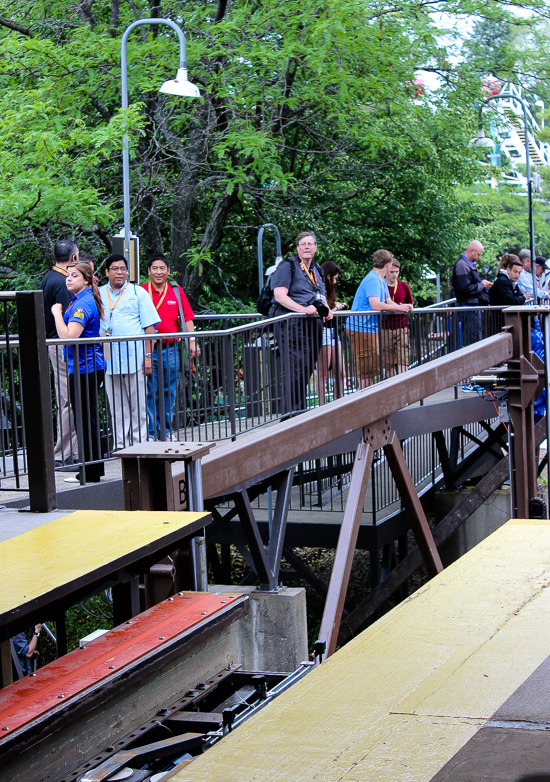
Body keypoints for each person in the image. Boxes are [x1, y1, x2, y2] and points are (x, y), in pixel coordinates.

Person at [51, 261, 106, 483]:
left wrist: (56, 312)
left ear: (86, 279)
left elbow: (68, 336)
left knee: (85, 420)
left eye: (74, 275)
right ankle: (93, 468)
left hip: (86, 368)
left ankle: (89, 471)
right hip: (83, 368)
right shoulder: (81, 300)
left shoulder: (82, 304)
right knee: (87, 418)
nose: (69, 279)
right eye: (68, 275)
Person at [99, 255, 160, 450]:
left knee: (138, 405)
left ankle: (139, 443)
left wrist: (148, 357)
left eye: (123, 269)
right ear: (107, 272)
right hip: (110, 359)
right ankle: (120, 443)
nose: (120, 272)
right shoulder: (98, 294)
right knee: (116, 405)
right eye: (115, 268)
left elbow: (149, 327)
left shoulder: (138, 292)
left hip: (135, 357)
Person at [270, 231, 332, 416]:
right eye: (303, 244)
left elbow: (321, 294)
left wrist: (327, 309)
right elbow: (279, 296)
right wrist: (301, 309)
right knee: (296, 369)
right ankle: (291, 416)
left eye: (310, 244)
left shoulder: (317, 269)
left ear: (315, 248)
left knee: (306, 369)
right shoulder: (287, 266)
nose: (307, 247)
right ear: (297, 248)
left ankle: (300, 413)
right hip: (292, 324)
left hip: (312, 325)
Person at [141, 253, 198, 439]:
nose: (158, 272)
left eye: (162, 268)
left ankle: (165, 431)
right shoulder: (141, 291)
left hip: (171, 349)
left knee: (168, 391)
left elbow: (187, 316)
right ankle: (151, 432)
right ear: (148, 271)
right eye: (155, 268)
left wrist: (192, 340)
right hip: (148, 350)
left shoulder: (175, 290)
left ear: (168, 271)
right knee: (150, 392)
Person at [346, 249, 412, 388]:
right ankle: (363, 405)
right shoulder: (373, 280)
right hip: (361, 329)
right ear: (388, 264)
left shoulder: (380, 279)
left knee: (371, 370)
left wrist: (403, 307)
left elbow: (387, 300)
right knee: (366, 372)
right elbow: (375, 304)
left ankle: (367, 404)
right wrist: (399, 308)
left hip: (369, 329)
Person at [40, 239, 79, 468]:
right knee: (69, 399)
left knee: (65, 398)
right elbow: (69, 319)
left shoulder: (47, 278)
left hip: (51, 343)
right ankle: (63, 454)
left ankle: (69, 451)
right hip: (62, 345)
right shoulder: (63, 283)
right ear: (73, 258)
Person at [451, 240, 492, 346]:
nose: (479, 257)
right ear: (472, 250)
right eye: (478, 254)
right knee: (472, 340)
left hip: (471, 307)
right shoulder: (462, 266)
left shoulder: (465, 265)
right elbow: (464, 289)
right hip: (469, 308)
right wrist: (482, 285)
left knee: (474, 338)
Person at [317, 261, 345, 405]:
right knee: (323, 373)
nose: (335, 281)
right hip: (324, 332)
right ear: (328, 276)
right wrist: (336, 309)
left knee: (341, 372)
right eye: (334, 278)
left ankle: (338, 403)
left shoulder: (329, 292)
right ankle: (322, 406)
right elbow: (324, 315)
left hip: (334, 332)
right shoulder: (319, 291)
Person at [380, 259, 414, 377]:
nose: (395, 275)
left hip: (401, 326)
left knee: (403, 359)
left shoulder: (404, 286)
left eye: (397, 272)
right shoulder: (380, 285)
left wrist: (407, 307)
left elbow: (410, 304)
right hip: (385, 328)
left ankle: (403, 386)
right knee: (388, 361)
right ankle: (392, 389)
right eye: (392, 272)